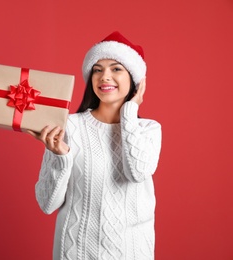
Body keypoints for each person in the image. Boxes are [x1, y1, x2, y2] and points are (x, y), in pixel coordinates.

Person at [28, 31, 162, 260]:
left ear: (135, 79)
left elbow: (136, 172)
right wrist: (61, 156)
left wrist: (130, 110)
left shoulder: (148, 129)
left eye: (116, 68)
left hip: (132, 252)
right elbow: (47, 203)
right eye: (97, 70)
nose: (104, 76)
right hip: (75, 252)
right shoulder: (69, 126)